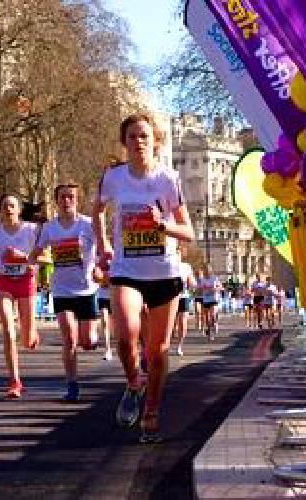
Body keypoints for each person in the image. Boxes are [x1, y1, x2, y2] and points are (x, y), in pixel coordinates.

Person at [93, 112, 195, 443]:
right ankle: (133, 383)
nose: (139, 142)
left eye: (144, 136)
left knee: (158, 350)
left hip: (164, 272)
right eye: (133, 136)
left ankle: (151, 411)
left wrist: (162, 225)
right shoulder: (113, 177)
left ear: (155, 142)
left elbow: (188, 232)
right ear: (124, 143)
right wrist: (103, 245)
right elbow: (96, 210)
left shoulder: (168, 179)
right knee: (126, 336)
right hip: (126, 270)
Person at [30, 181, 99, 402]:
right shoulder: (50, 228)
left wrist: (100, 267)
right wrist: (42, 259)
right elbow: (35, 255)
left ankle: (91, 338)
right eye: (63, 197)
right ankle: (72, 385)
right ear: (57, 201)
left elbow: (104, 250)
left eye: (71, 196)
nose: (67, 200)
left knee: (87, 342)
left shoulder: (88, 224)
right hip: (62, 290)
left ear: (77, 200)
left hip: (87, 289)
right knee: (69, 337)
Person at [0, 194, 41, 399]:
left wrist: (22, 257)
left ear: (19, 210)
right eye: (5, 205)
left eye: (12, 205)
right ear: (0, 209)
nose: (8, 209)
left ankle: (31, 332)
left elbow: (47, 257)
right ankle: (15, 381)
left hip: (26, 281)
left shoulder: (32, 230)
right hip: (5, 282)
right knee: (8, 329)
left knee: (27, 340)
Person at [174, 259, 193, 356]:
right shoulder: (166, 264)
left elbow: (191, 281)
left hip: (183, 297)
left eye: (179, 252)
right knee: (172, 323)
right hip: (170, 298)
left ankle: (179, 346)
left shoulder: (186, 266)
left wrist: (191, 283)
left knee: (182, 322)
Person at [94, 266, 114, 361]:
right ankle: (107, 349)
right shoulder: (98, 260)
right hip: (102, 296)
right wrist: (99, 279)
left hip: (115, 296)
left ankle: (122, 347)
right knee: (105, 322)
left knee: (116, 326)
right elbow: (95, 278)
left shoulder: (115, 257)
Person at [199, 267, 221, 341]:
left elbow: (220, 287)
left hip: (214, 299)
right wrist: (202, 289)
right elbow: (200, 289)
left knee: (212, 315)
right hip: (206, 299)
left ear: (211, 271)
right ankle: (209, 331)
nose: (207, 272)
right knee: (207, 317)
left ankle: (215, 323)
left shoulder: (215, 278)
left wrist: (215, 289)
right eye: (206, 271)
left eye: (208, 271)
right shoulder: (202, 280)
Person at [192, 268, 204, 332]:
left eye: (199, 274)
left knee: (202, 313)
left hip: (203, 298)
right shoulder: (194, 281)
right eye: (197, 275)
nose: (198, 276)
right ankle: (198, 324)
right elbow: (192, 289)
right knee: (197, 311)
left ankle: (202, 325)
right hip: (197, 298)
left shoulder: (204, 281)